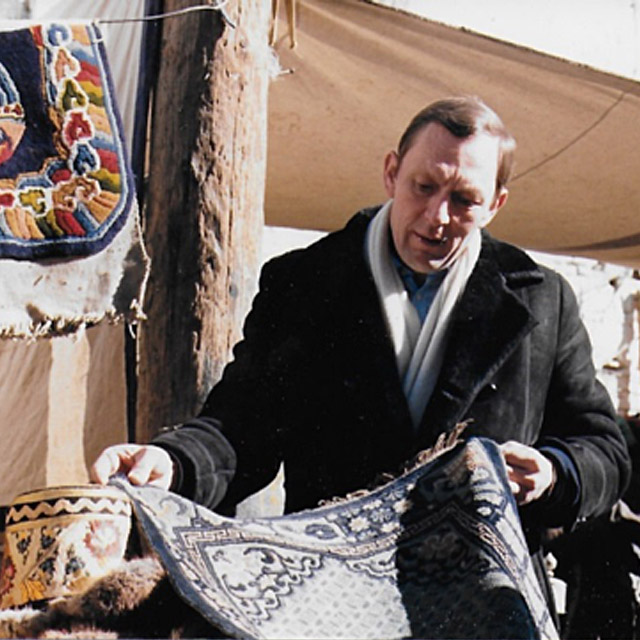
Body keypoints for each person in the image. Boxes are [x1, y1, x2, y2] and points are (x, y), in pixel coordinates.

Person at [91, 96, 630, 619]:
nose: (437, 216)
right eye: (424, 186)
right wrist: (174, 461)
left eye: (464, 199)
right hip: (330, 602)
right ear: (392, 172)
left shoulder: (541, 299)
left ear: (496, 204)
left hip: (482, 609)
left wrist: (555, 473)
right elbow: (241, 427)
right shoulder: (305, 285)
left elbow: (605, 447)